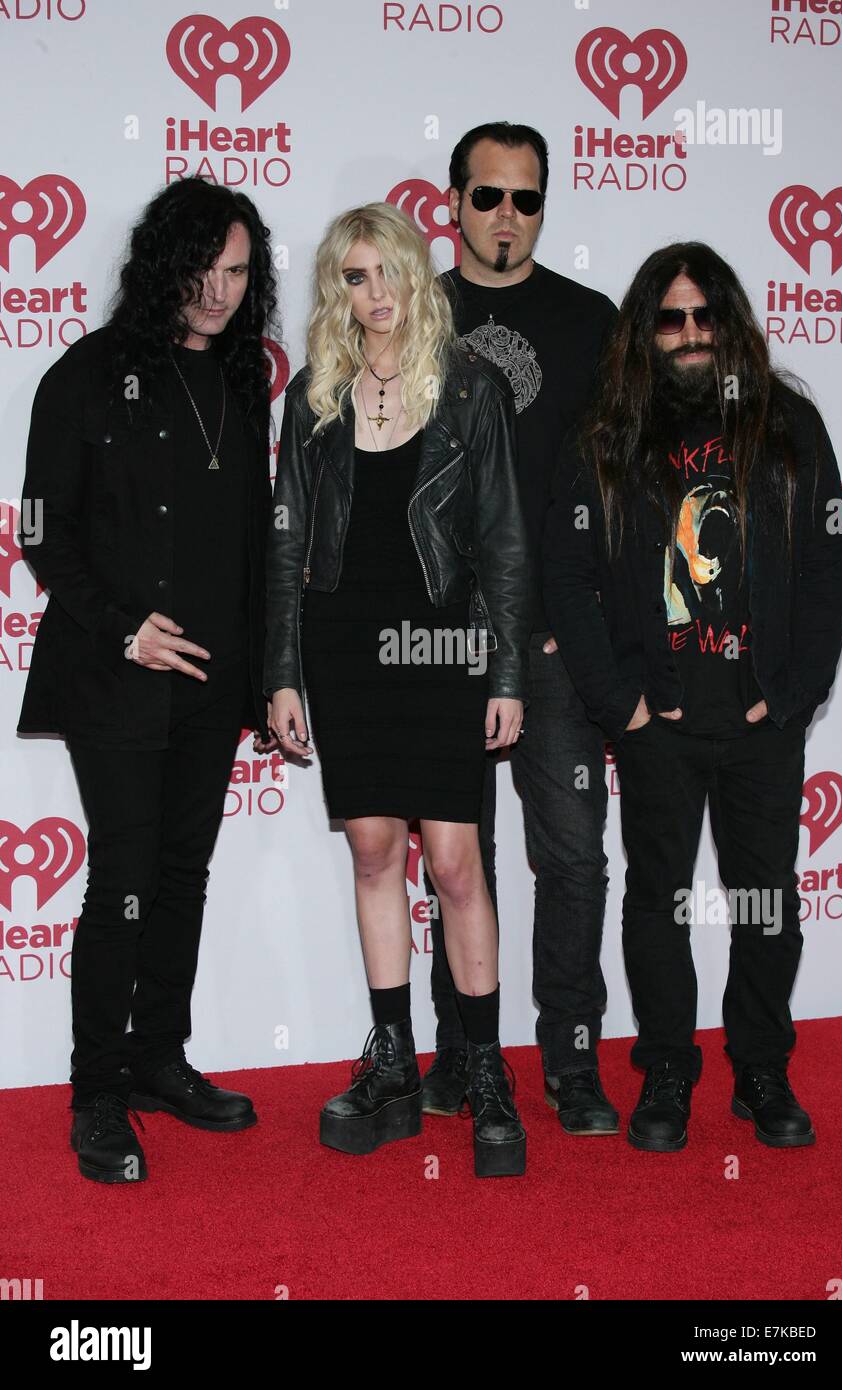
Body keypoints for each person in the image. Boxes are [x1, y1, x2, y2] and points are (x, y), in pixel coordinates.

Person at [543, 242, 842, 1152]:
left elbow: (829, 568)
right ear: (646, 331)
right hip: (659, 722)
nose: (688, 335)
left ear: (729, 324)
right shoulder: (608, 434)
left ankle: (761, 1070)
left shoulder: (786, 425)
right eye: (669, 318)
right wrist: (620, 702)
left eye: (703, 316)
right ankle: (668, 1067)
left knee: (767, 901)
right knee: (659, 901)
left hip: (760, 719)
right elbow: (566, 577)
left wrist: (793, 693)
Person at [18, 176, 278, 1183]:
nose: (218, 292)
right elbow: (44, 530)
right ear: (161, 266)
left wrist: (268, 675)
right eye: (202, 269)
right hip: (117, 674)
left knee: (183, 874)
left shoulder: (247, 380)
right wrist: (126, 630)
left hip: (214, 677)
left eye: (238, 272)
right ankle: (95, 1094)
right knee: (123, 880)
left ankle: (158, 1060)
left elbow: (255, 539)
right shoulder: (86, 375)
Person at [265, 202, 531, 1177]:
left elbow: (502, 541)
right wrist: (281, 673)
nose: (373, 296)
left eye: (387, 275)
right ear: (336, 290)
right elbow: (287, 541)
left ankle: (487, 1067)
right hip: (344, 646)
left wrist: (504, 670)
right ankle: (390, 1058)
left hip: (440, 645)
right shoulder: (311, 396)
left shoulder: (467, 388)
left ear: (416, 277)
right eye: (352, 278)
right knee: (374, 849)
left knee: (455, 861)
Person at [423, 121, 621, 1138]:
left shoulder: (591, 322)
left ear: (546, 205)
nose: (507, 216)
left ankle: (572, 1058)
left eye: (526, 198)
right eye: (488, 195)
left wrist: (580, 621)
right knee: (458, 860)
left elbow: (618, 485)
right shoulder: (406, 312)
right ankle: (462, 1049)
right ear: (449, 198)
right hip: (438, 641)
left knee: (574, 857)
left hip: (549, 639)